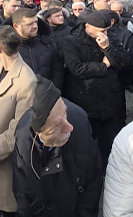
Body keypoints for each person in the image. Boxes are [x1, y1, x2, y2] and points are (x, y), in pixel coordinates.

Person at [13, 78, 104, 217]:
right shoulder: (24, 137)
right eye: (57, 124)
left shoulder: (80, 122)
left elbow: (92, 183)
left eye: (65, 113)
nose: (69, 127)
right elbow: (23, 193)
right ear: (39, 133)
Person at [0, 25, 38, 216]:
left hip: (2, 164)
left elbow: (19, 132)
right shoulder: (1, 65)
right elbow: (3, 94)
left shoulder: (27, 80)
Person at [60, 11, 130, 161]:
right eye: (101, 30)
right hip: (86, 98)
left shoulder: (110, 38)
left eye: (106, 30)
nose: (105, 33)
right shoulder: (71, 41)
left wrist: (107, 48)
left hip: (111, 98)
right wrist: (103, 66)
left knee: (111, 140)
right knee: (89, 142)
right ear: (88, 26)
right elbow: (77, 69)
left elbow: (122, 61)